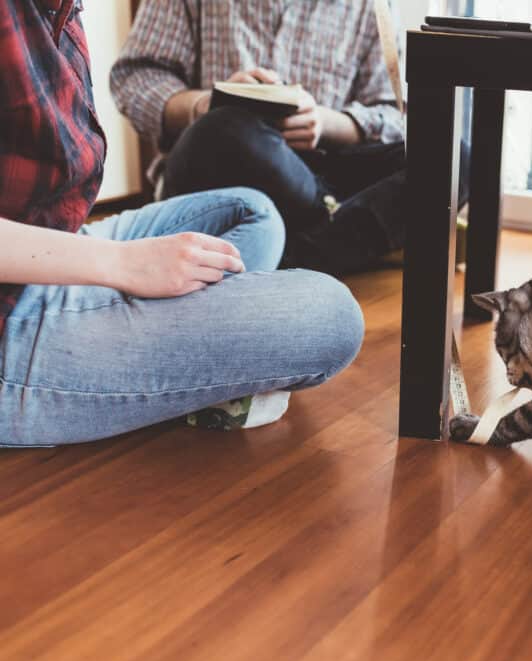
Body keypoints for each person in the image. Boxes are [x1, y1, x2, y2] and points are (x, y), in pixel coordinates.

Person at [0, 0, 364, 447]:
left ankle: (164, 351)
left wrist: (326, 123)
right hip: (11, 316)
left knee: (252, 212)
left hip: (41, 248)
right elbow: (136, 80)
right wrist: (122, 265)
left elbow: (391, 120)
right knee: (331, 315)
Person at [111, 0, 470, 275]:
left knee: (453, 155)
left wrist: (326, 123)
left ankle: (293, 256)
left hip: (320, 170)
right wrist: (205, 104)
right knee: (228, 129)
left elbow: (397, 115)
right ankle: (346, 238)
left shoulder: (369, 6)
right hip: (221, 161)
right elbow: (134, 78)